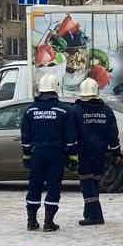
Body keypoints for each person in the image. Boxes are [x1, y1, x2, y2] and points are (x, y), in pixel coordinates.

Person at [20, 74, 78, 232]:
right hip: (56, 154)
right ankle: (48, 222)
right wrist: (73, 156)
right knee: (53, 186)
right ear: (56, 89)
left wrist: (26, 154)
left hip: (37, 154)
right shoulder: (64, 111)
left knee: (34, 185)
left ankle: (31, 221)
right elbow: (70, 137)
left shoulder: (30, 111)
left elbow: (25, 135)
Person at [70, 78, 121, 226]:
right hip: (101, 153)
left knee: (87, 184)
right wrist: (114, 150)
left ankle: (95, 216)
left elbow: (72, 134)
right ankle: (89, 213)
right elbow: (113, 132)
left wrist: (71, 152)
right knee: (94, 182)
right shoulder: (106, 110)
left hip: (84, 153)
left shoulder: (76, 111)